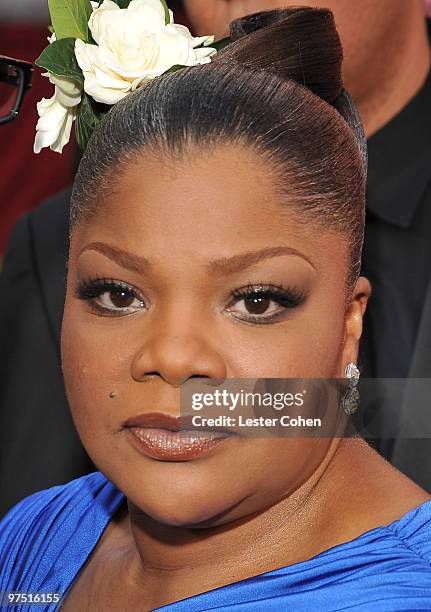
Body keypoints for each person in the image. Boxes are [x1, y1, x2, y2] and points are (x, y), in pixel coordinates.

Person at [2, 7, 431, 610]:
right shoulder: (33, 538)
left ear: (349, 325)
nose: (174, 357)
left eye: (255, 301)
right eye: (118, 295)